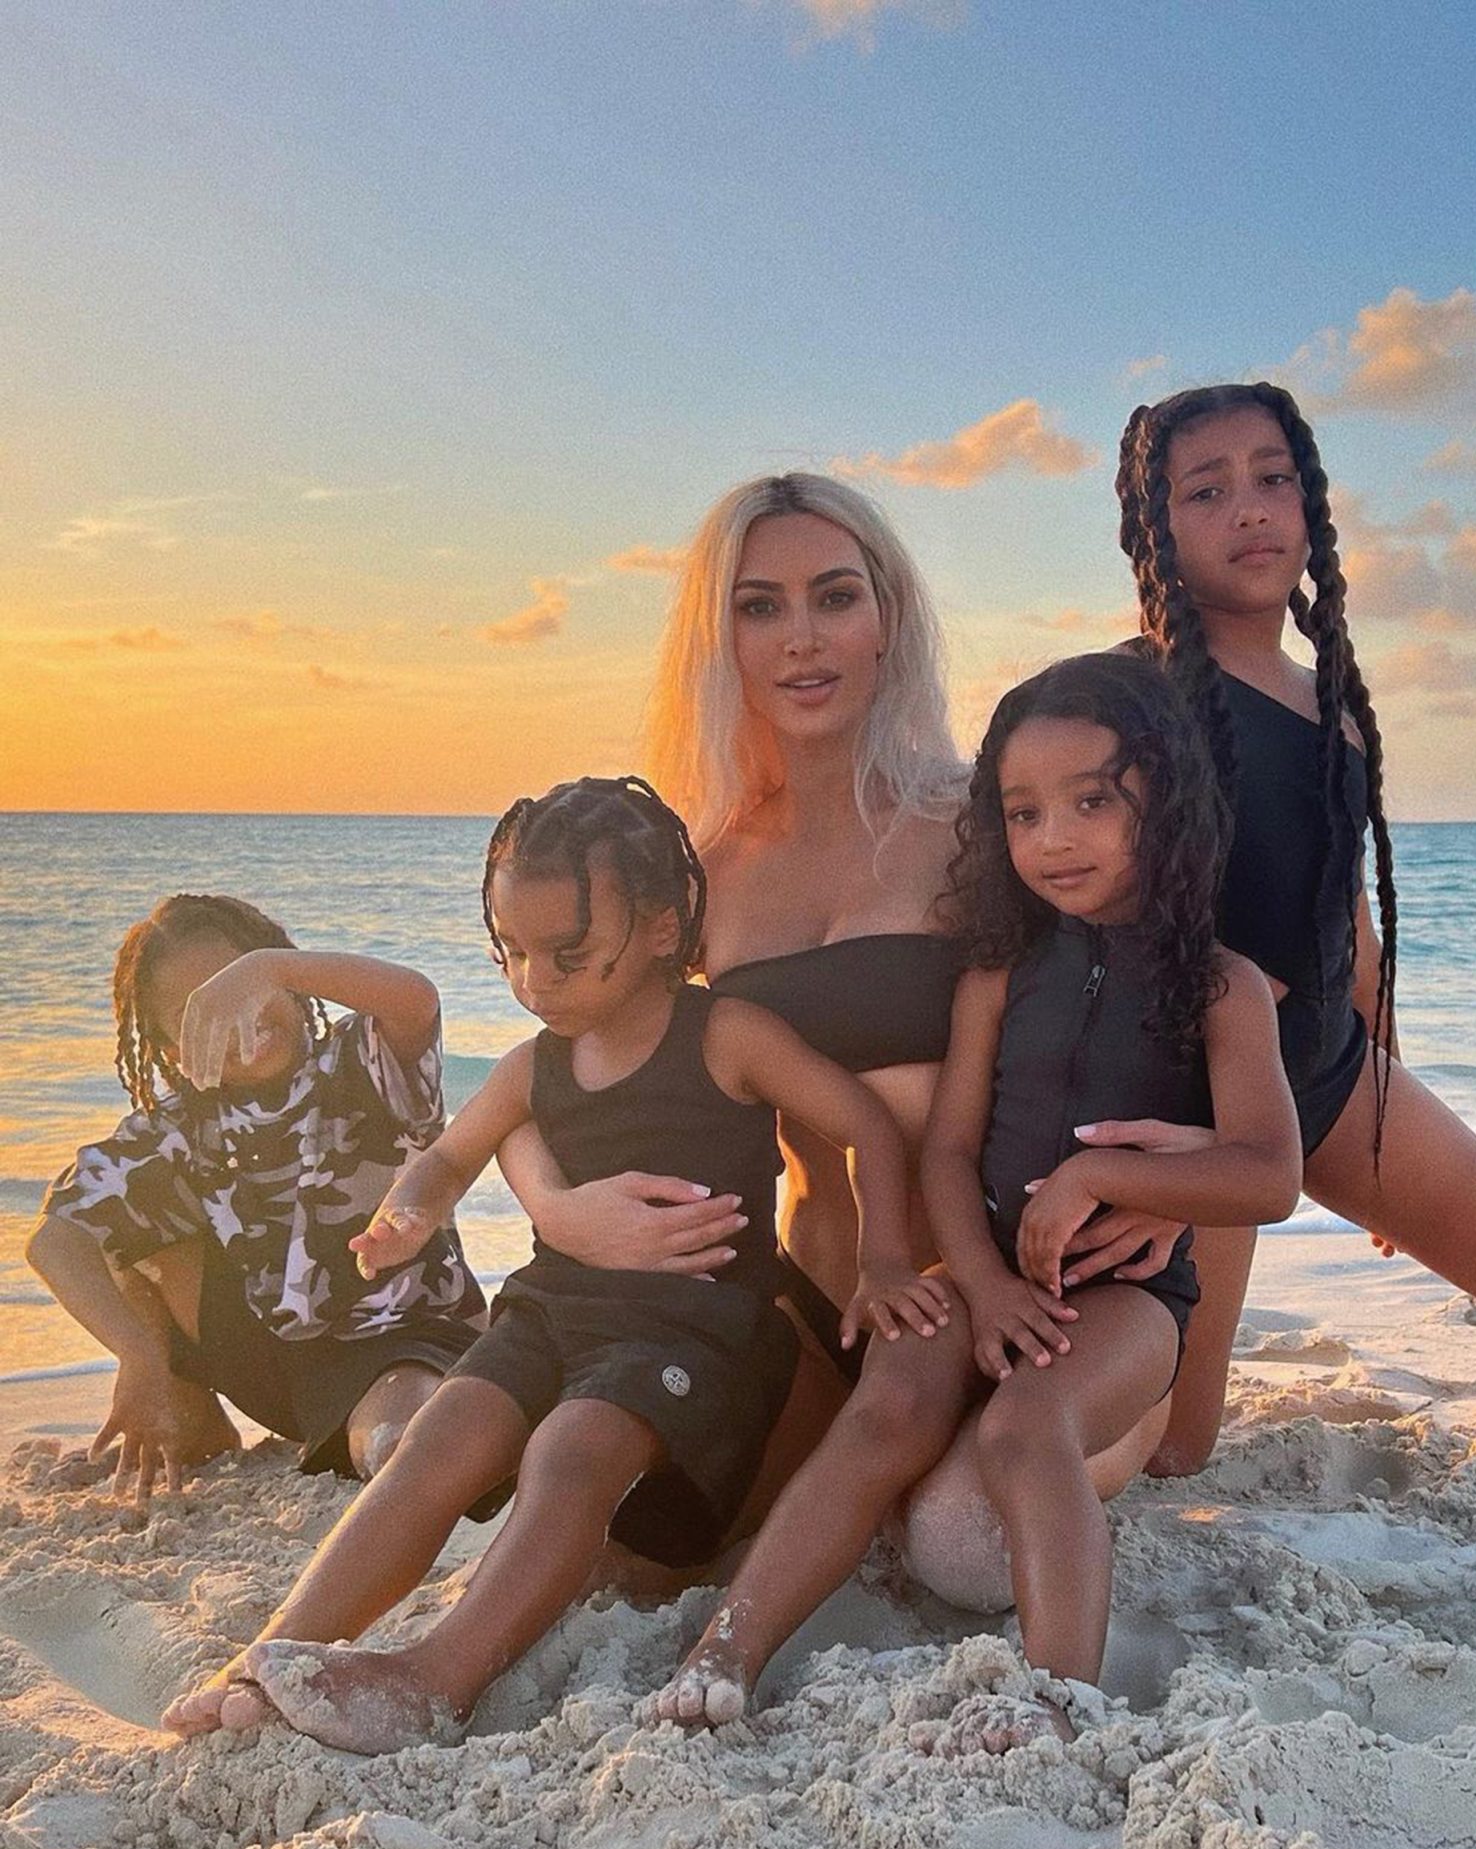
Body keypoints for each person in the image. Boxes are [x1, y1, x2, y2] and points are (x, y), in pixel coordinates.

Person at [163, 776, 943, 1752]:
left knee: (569, 1449)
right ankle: (273, 1651)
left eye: (567, 953)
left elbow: (866, 1121)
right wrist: (408, 1212)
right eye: (512, 952)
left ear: (661, 928)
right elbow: (450, 1154)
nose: (535, 981)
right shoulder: (533, 1064)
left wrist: (884, 1260)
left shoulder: (724, 1037)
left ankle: (437, 1676)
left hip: (697, 1331)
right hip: (550, 1309)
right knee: (440, 1436)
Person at [499, 474, 1173, 1561]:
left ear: (886, 616)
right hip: (821, 1311)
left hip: (1024, 1299)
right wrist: (559, 1208)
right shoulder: (697, 873)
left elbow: (1166, 992)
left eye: (835, 596)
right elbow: (547, 1069)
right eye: (758, 607)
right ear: (717, 639)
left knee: (956, 1544)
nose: (801, 639)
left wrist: (1175, 1180)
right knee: (636, 1551)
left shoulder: (982, 824)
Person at [646, 654, 1300, 1739]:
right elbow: (948, 1152)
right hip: (980, 1268)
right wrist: (984, 1286)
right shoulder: (996, 974)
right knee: (884, 1407)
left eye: (1092, 802)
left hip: (1128, 1301)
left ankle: (1059, 1695)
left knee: (1025, 1429)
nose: (1054, 839)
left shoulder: (1219, 986)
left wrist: (1100, 1175)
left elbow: (1268, 1172)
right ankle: (726, 1647)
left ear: (1166, 799)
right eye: (1023, 812)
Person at [1111, 380, 1476, 1477]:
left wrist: (1385, 1099)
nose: (1250, 508)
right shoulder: (1126, 701)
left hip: (1330, 1073)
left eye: (1272, 478)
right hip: (1199, 1112)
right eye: (1206, 490)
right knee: (1176, 1448)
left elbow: (1343, 917)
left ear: (1309, 503)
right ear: (1154, 529)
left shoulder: (1332, 704)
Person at [25, 893, 485, 1500]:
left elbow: (416, 999)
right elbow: (53, 1240)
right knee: (120, 1228)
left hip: (403, 1341)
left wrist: (269, 966)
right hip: (273, 1361)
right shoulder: (178, 1126)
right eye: (198, 1012)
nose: (235, 1015)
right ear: (169, 1049)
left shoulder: (363, 1064)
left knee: (407, 1442)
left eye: (238, 985)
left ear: (288, 983)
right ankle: (190, 1417)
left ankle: (421, 1433)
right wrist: (137, 1356)